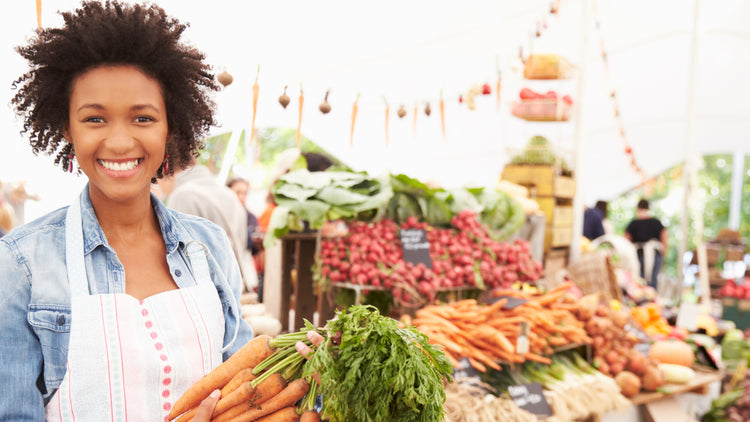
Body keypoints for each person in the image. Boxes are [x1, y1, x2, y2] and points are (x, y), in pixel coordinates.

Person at [0, 2, 322, 420]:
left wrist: (302, 369)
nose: (119, 142)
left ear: (170, 127)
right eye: (95, 119)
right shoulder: (21, 262)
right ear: (66, 127)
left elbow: (246, 394)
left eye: (143, 118)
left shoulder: (207, 245)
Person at [160, 162, 259, 294]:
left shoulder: (181, 196)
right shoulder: (229, 195)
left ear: (167, 170)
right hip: (233, 286)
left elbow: (181, 260)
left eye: (156, 179)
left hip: (204, 295)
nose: (159, 187)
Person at [624, 198, 668, 288]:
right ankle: (652, 299)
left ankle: (644, 298)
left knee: (639, 279)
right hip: (653, 254)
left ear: (638, 208)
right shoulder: (656, 222)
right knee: (653, 279)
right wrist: (664, 253)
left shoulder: (633, 223)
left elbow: (626, 239)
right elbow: (664, 236)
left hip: (640, 254)